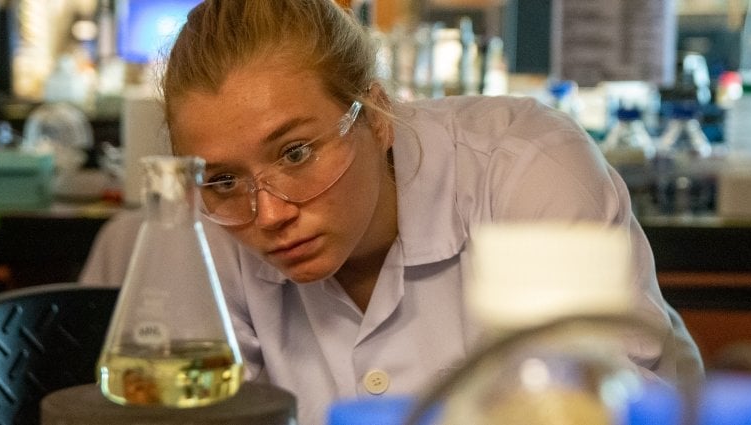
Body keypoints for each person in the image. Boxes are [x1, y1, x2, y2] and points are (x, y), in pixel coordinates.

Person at [80, 0, 704, 423]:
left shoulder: (526, 172)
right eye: (221, 178)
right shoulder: (216, 226)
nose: (267, 213)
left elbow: (593, 403)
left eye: (296, 152)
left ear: (375, 116)